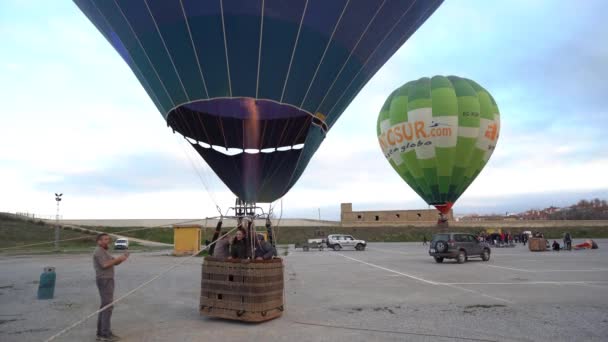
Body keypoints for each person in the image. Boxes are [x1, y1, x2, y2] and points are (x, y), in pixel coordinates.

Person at [93, 233, 129, 341]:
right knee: (107, 307)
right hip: (104, 280)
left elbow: (114, 263)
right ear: (98, 241)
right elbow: (105, 264)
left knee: (105, 306)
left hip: (108, 279)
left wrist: (123, 258)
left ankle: (101, 333)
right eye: (104, 239)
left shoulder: (104, 251)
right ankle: (104, 334)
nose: (107, 241)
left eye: (108, 239)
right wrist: (118, 259)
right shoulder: (98, 251)